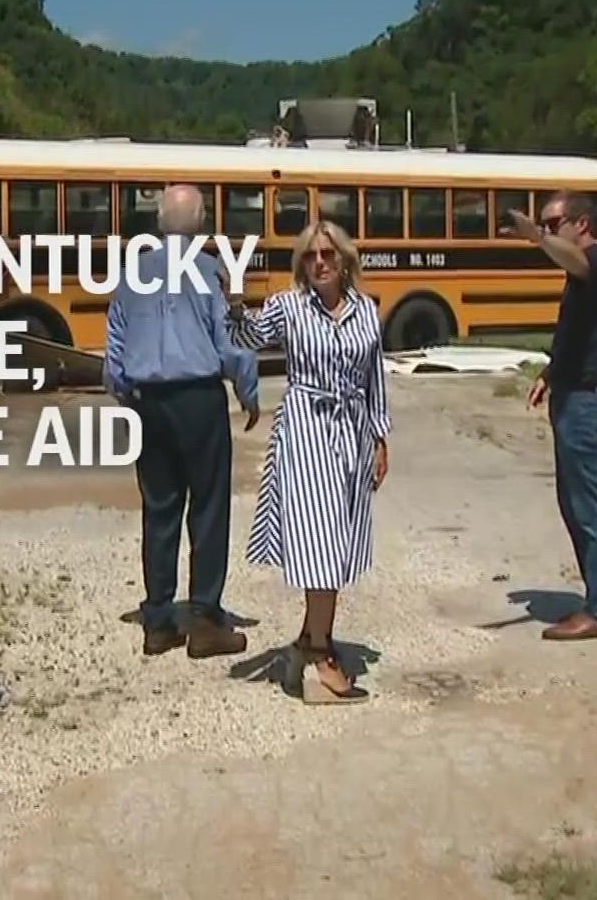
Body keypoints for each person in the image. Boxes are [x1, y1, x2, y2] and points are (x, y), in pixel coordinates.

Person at [228, 219, 390, 705]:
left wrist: (380, 437)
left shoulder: (366, 312)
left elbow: (374, 377)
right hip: (305, 432)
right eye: (309, 255)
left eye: (327, 254)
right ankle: (320, 654)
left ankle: (307, 639)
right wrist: (235, 296)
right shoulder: (288, 307)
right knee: (320, 542)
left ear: (344, 260)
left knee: (338, 541)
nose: (319, 262)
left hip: (352, 434)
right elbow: (247, 336)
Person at [105, 185, 258, 660]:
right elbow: (229, 340)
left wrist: (124, 389)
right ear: (201, 223)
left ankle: (158, 620)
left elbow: (115, 340)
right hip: (197, 397)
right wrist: (247, 389)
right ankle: (206, 618)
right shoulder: (211, 270)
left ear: (158, 223)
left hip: (149, 399)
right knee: (209, 506)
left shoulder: (133, 272)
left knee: (160, 505)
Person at [508, 193, 597, 642]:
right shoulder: (581, 274)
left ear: (581, 224)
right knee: (573, 503)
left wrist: (535, 236)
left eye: (554, 222)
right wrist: (551, 372)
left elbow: (574, 262)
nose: (549, 230)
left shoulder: (595, 262)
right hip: (574, 395)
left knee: (589, 507)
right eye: (544, 223)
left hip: (589, 403)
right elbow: (580, 335)